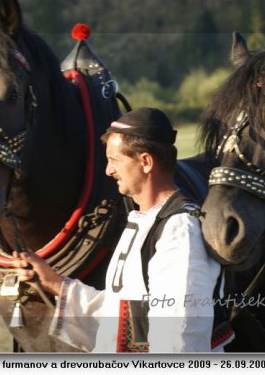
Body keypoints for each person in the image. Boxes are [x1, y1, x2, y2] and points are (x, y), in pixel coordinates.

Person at [14, 107, 233, 353]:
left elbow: (181, 333)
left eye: (114, 160)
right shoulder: (142, 220)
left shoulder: (179, 229)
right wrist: (54, 283)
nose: (108, 170)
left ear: (146, 162)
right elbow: (119, 318)